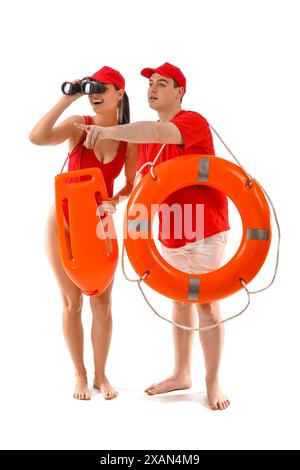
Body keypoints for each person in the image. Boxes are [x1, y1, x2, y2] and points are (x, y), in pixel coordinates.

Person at [75, 62, 231, 410]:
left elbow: (160, 134)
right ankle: (181, 373)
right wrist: (116, 201)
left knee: (205, 302)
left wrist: (114, 132)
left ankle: (213, 381)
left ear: (179, 92)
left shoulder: (192, 122)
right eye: (149, 85)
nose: (152, 89)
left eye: (162, 84)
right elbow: (144, 185)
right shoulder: (144, 140)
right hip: (172, 229)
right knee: (179, 299)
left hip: (205, 226)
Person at [29, 66, 139, 400]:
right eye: (91, 88)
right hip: (62, 221)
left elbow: (131, 185)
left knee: (102, 303)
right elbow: (37, 137)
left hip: (97, 223)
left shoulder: (127, 136)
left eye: (101, 88)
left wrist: (113, 202)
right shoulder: (79, 126)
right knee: (72, 303)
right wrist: (67, 98)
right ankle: (80, 373)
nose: (94, 93)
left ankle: (101, 376)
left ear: (119, 94)